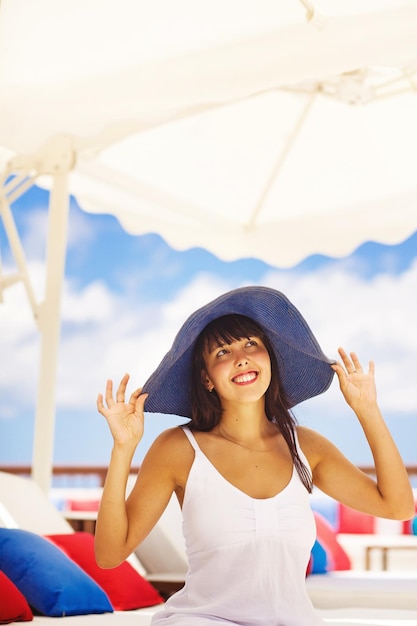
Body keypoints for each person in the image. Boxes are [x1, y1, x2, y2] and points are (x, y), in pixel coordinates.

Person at [95, 286, 414, 626]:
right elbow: (109, 555)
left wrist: (367, 411)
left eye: (251, 344)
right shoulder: (178, 448)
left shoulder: (306, 447)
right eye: (222, 352)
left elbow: (397, 506)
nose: (241, 357)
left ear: (269, 360)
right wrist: (123, 450)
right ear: (207, 379)